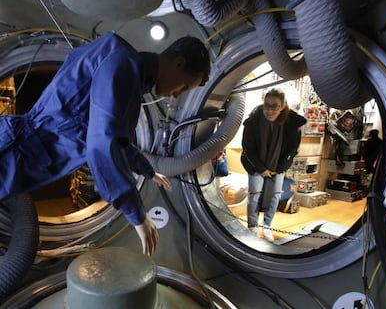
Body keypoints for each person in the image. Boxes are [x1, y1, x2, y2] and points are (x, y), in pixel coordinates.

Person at [0, 31, 210, 256]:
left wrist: (148, 172)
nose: (177, 96)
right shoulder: (122, 65)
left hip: (23, 154)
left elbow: (118, 142)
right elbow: (102, 143)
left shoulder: (126, 70)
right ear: (179, 64)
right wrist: (136, 214)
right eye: (185, 87)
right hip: (13, 151)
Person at [241, 89, 306, 241]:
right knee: (254, 194)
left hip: (279, 166)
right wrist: (261, 169)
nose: (269, 110)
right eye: (266, 105)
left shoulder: (292, 123)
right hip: (255, 164)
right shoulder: (253, 121)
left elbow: (292, 149)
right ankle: (252, 226)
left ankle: (267, 225)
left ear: (282, 106)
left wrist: (279, 168)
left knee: (276, 195)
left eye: (274, 106)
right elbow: (248, 148)